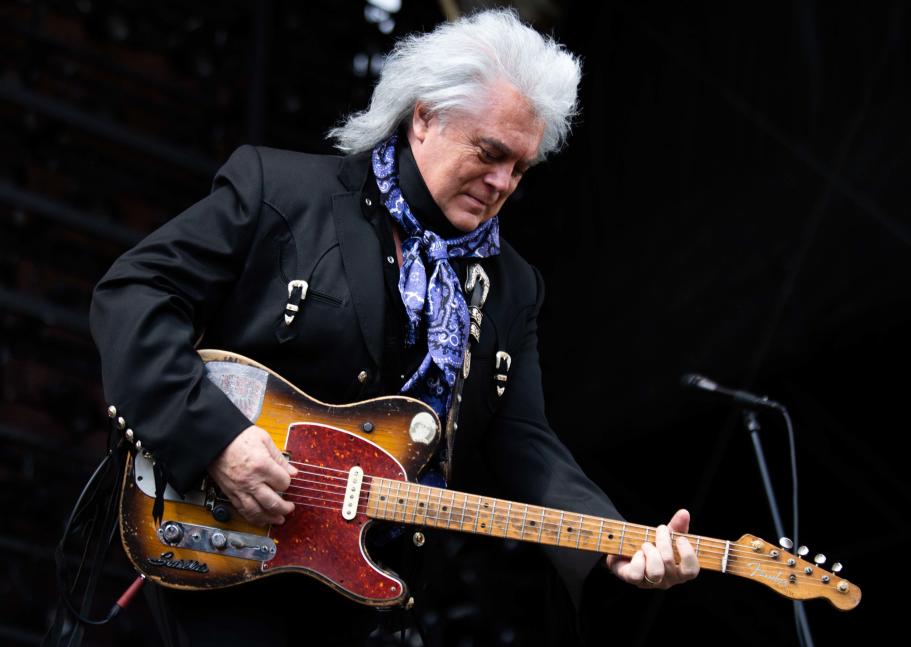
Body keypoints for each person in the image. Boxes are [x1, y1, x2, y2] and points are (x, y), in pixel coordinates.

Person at [89, 9, 699, 645]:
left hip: (370, 594)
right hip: (235, 554)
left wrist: (613, 541)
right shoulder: (284, 191)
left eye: (520, 169)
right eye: (490, 154)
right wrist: (217, 438)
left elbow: (525, 442)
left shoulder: (512, 286)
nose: (501, 185)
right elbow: (133, 293)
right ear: (425, 116)